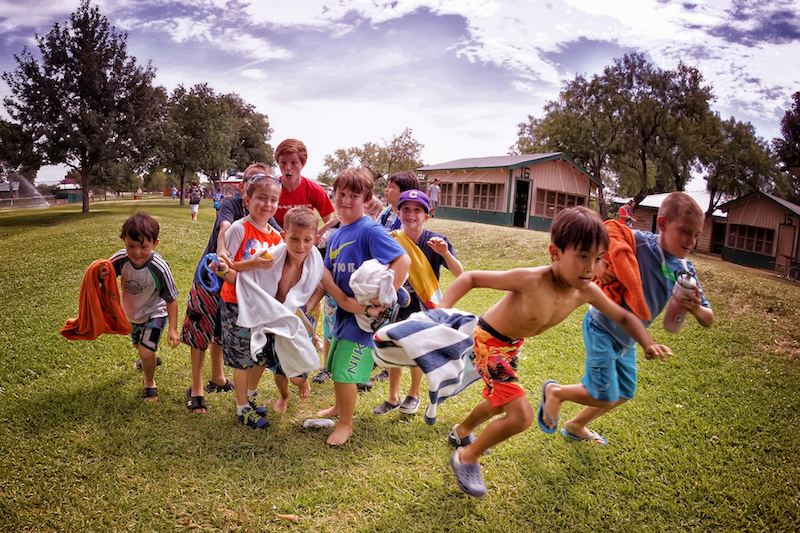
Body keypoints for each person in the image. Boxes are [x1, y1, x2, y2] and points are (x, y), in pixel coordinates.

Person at [438, 206, 672, 497]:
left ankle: (461, 431)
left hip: (510, 345)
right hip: (488, 341)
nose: (591, 267)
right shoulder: (532, 280)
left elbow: (623, 316)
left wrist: (647, 341)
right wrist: (441, 311)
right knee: (520, 416)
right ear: (556, 252)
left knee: (500, 402)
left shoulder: (586, 290)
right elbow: (470, 278)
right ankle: (468, 456)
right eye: (582, 256)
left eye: (599, 258)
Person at [540, 192, 714, 445]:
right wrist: (599, 263)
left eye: (697, 234)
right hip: (602, 325)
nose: (692, 241)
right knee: (603, 392)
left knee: (623, 392)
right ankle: (555, 392)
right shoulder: (640, 243)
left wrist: (697, 309)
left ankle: (577, 425)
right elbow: (603, 237)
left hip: (629, 339)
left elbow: (708, 319)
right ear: (663, 224)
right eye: (685, 231)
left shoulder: (686, 270)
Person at [315, 167, 411, 445]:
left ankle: (346, 424)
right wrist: (311, 301)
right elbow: (327, 276)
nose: (345, 200)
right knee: (335, 364)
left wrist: (384, 298)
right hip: (343, 312)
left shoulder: (369, 229)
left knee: (346, 369)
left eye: (353, 195)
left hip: (365, 319)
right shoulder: (335, 234)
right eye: (340, 193)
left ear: (367, 199)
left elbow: (402, 261)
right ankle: (337, 407)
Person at [181, 163, 281, 414]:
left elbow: (281, 242)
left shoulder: (269, 216)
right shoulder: (231, 206)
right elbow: (225, 230)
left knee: (223, 335)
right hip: (213, 278)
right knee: (200, 330)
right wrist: (225, 252)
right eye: (251, 180)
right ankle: (196, 390)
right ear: (244, 191)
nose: (256, 184)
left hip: (244, 291)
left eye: (264, 180)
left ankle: (218, 378)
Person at [372, 190, 463, 416]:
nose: (411, 214)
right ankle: (393, 396)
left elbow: (459, 273)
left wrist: (445, 253)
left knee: (418, 349)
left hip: (425, 305)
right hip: (397, 304)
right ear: (397, 212)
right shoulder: (391, 239)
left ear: (426, 216)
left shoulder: (435, 241)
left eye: (417, 210)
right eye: (406, 209)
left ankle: (413, 394)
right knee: (394, 347)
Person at [214, 173, 285, 428]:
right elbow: (225, 269)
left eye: (273, 200)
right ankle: (242, 408)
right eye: (261, 198)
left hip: (261, 306)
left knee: (261, 354)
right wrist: (252, 266)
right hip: (236, 304)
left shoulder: (276, 237)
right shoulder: (239, 229)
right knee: (243, 357)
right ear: (247, 199)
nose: (268, 204)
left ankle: (252, 394)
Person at [99, 212, 180, 403]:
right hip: (132, 315)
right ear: (124, 242)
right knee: (139, 346)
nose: (136, 252)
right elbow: (103, 272)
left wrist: (173, 330)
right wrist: (101, 275)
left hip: (155, 312)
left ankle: (149, 382)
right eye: (131, 246)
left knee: (145, 350)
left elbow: (171, 299)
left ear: (155, 243)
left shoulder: (159, 267)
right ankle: (150, 359)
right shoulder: (120, 259)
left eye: (143, 247)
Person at [274, 138, 335, 230]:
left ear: (303, 163)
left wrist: (314, 237)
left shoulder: (315, 190)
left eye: (293, 163)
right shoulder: (271, 189)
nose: (288, 168)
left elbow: (331, 224)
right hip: (275, 240)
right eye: (283, 162)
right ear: (278, 163)